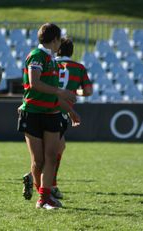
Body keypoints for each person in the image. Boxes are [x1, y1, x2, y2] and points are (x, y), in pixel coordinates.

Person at [22, 37, 93, 201]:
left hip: (48, 107)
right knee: (53, 153)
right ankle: (48, 187)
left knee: (49, 153)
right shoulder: (76, 67)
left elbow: (37, 86)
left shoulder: (52, 62)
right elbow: (87, 91)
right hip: (54, 110)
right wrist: (74, 94)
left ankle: (43, 187)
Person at [17, 23, 76, 209]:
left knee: (51, 156)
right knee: (38, 160)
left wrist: (70, 111)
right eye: (60, 39)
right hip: (32, 114)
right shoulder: (36, 56)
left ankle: (44, 198)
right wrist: (62, 92)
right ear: (55, 39)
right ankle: (42, 195)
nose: (61, 43)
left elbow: (51, 95)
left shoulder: (51, 60)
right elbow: (34, 84)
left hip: (51, 113)